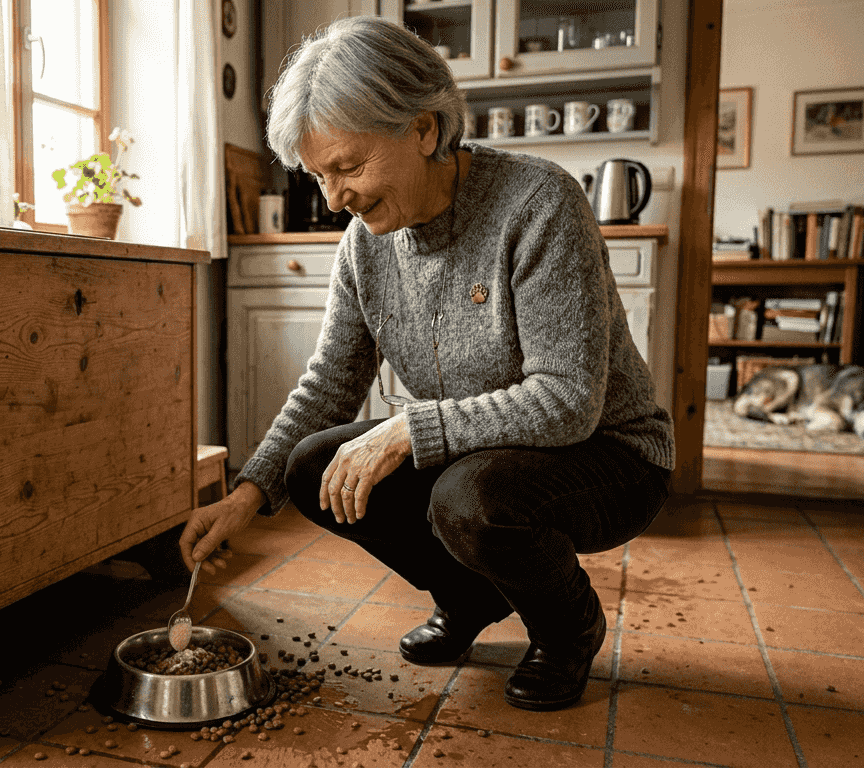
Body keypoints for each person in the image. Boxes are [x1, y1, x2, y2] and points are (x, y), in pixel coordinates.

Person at [179, 16, 674, 712]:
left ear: (424, 128)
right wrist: (246, 494)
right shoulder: (363, 245)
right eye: (321, 175)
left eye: (348, 167)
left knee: (467, 499)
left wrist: (406, 429)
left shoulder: (538, 203)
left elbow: (567, 401)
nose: (334, 198)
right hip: (482, 453)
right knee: (313, 466)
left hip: (608, 454)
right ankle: (469, 599)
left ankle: (568, 627)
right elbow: (329, 384)